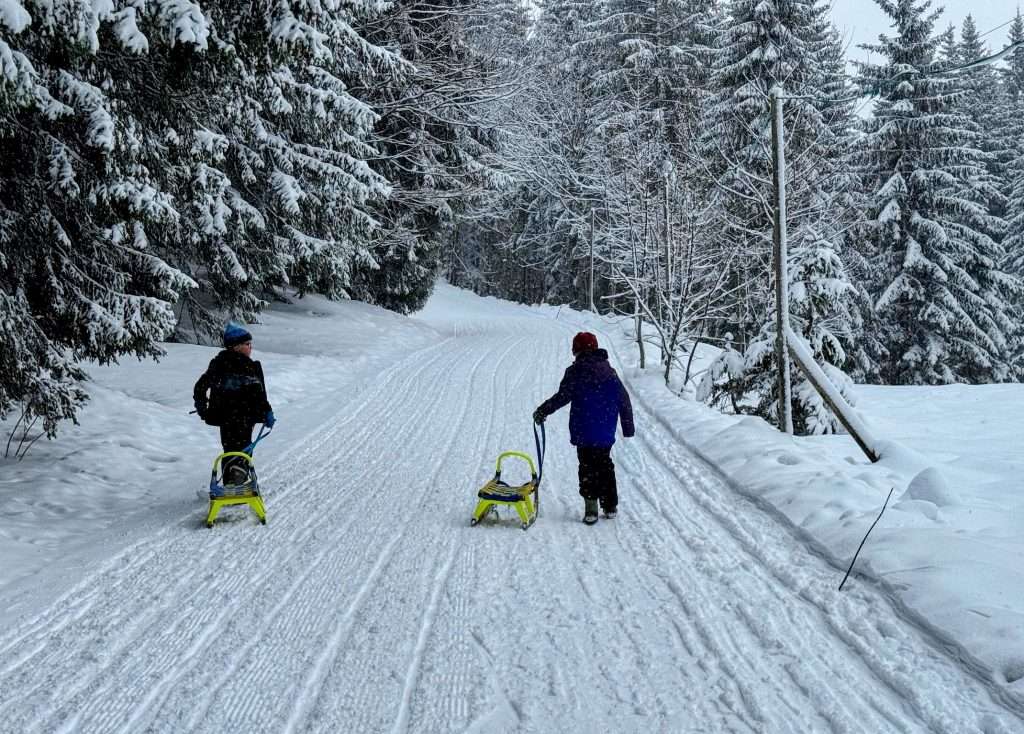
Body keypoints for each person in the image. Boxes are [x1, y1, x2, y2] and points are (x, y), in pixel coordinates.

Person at [533, 331, 634, 525]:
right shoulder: (610, 372)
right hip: (605, 432)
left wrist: (543, 411)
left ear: (576, 351)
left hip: (584, 430)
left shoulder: (575, 373)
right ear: (595, 349)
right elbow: (624, 400)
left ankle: (591, 510)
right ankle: (610, 506)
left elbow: (561, 397)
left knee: (587, 467)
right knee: (605, 465)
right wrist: (627, 427)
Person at [193, 323, 275, 485]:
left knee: (230, 448)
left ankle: (231, 480)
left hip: (225, 417)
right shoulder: (248, 366)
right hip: (245, 416)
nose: (250, 347)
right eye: (247, 344)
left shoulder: (218, 363)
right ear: (236, 347)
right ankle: (236, 481)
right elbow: (258, 394)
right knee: (243, 448)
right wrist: (267, 412)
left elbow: (200, 387)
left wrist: (202, 407)